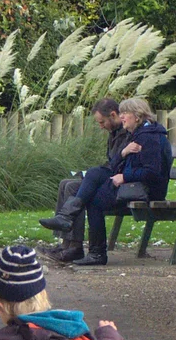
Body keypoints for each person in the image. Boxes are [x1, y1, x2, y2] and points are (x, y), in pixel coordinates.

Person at [39, 96, 173, 267]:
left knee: (93, 179)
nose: (122, 116)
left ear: (137, 116)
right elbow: (118, 164)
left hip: (144, 190)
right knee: (92, 194)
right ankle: (90, 250)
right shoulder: (137, 134)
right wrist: (124, 153)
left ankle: (73, 228)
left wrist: (125, 176)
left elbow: (152, 172)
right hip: (132, 184)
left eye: (125, 113)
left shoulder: (149, 137)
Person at [40, 98, 129, 263]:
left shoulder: (128, 133)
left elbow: (120, 163)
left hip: (118, 182)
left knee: (73, 187)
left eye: (102, 122)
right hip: (110, 176)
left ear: (113, 114)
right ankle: (66, 244)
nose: (100, 126)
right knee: (65, 183)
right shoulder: (114, 133)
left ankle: (74, 247)